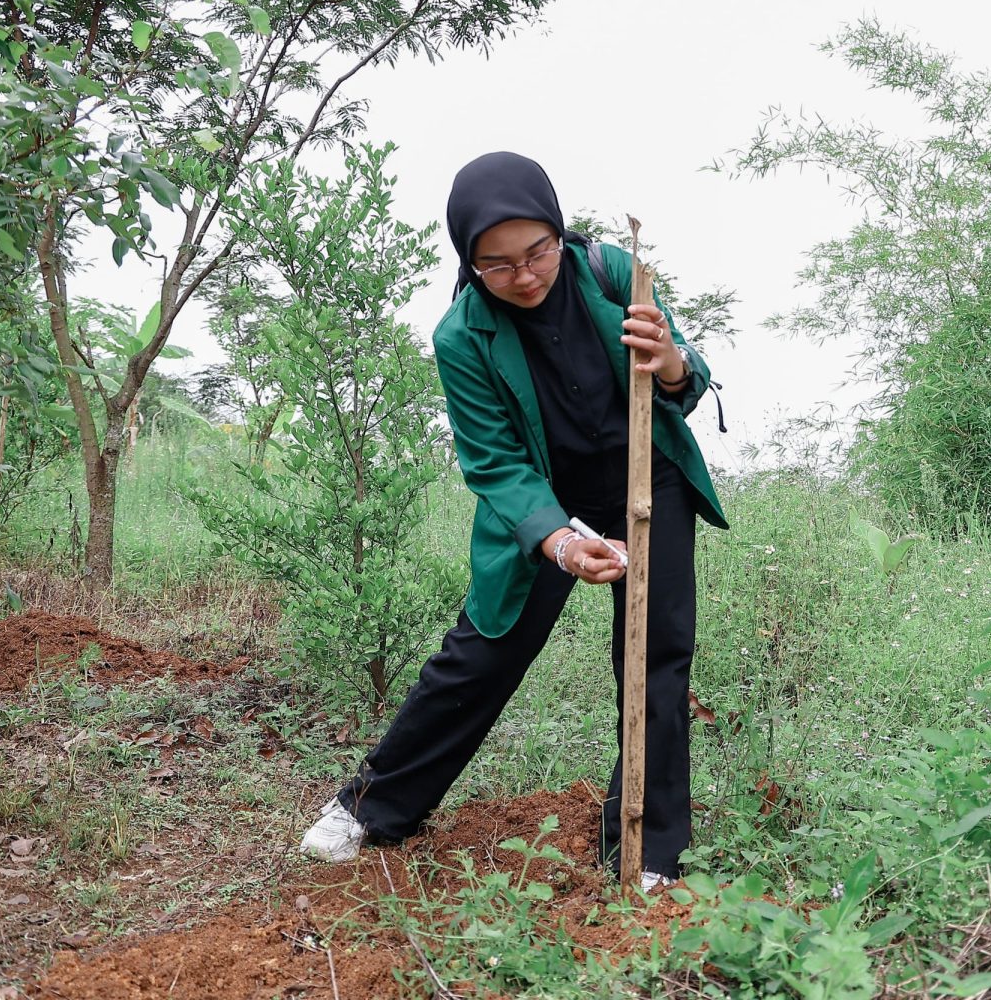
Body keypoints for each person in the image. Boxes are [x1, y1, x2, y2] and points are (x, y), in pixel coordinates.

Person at [299, 152, 728, 890]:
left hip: (646, 480)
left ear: (560, 233)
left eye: (537, 253)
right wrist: (560, 542)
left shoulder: (613, 273)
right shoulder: (461, 336)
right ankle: (373, 808)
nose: (525, 276)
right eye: (498, 265)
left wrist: (672, 365)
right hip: (544, 499)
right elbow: (494, 463)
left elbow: (687, 384)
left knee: (655, 654)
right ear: (469, 263)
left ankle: (649, 850)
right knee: (482, 650)